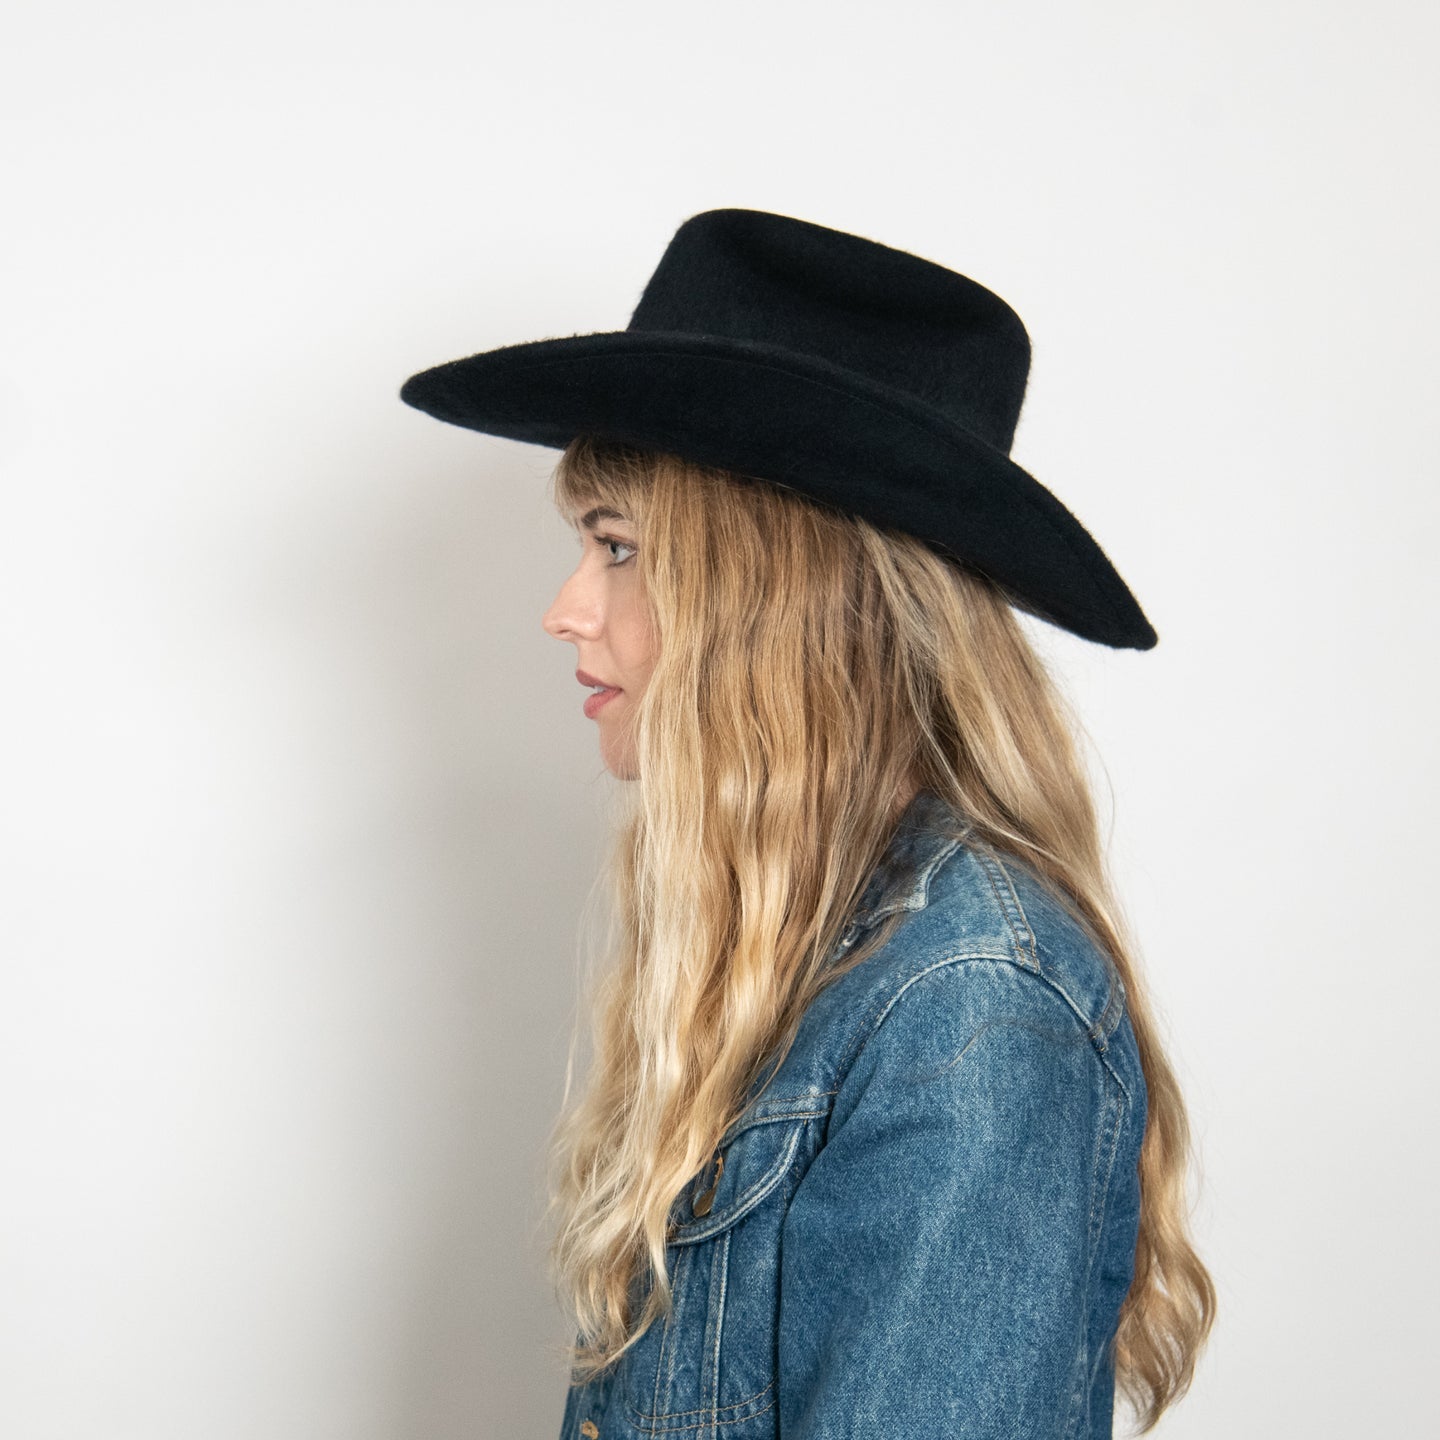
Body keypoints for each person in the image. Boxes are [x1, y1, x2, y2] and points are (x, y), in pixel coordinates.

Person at [401, 208, 1215, 1439]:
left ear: (777, 592)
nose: (566, 609)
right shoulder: (793, 951)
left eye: (617, 546)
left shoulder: (975, 1003)